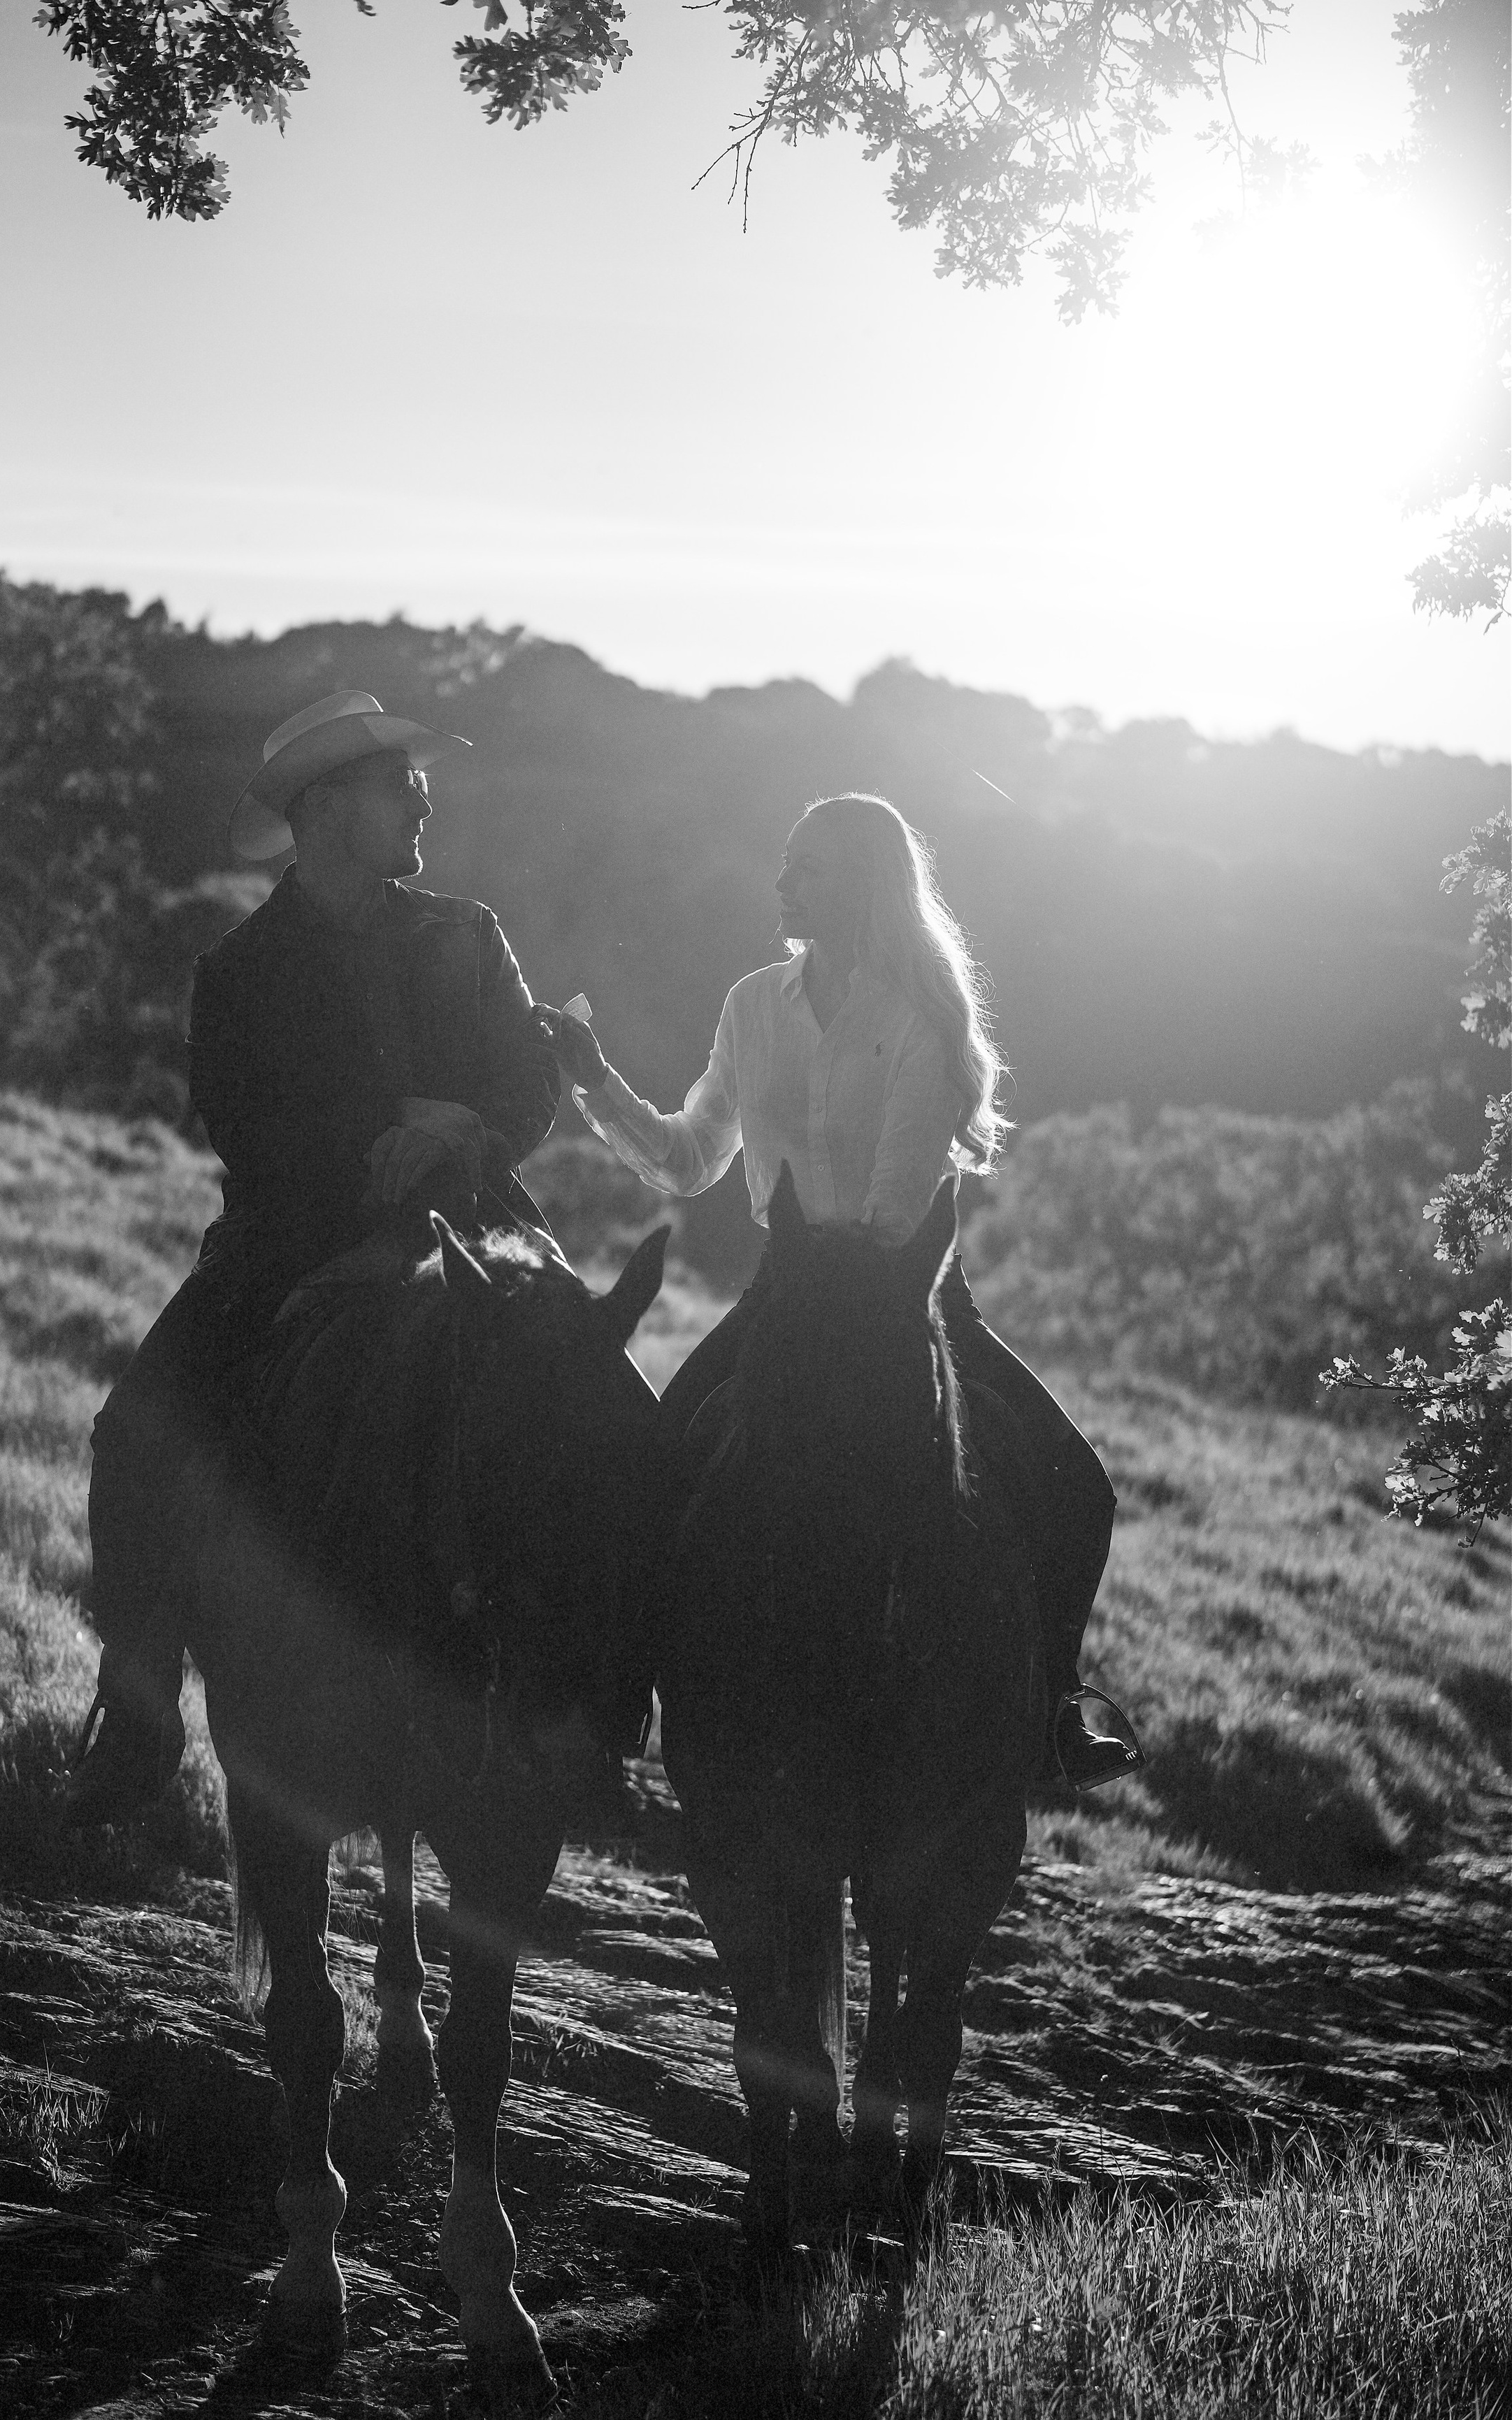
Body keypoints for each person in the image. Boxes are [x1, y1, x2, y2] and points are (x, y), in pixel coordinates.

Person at [536, 791, 1137, 1787]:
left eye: (806, 866)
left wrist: (839, 1276)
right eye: (785, 862)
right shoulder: (749, 1006)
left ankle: (1051, 1711)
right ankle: (619, 1695)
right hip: (784, 1299)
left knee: (1079, 1488)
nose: (782, 881)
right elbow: (691, 1159)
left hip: (910, 1305)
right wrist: (596, 1081)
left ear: (863, 885)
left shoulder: (921, 1020)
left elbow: (896, 1215)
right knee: (648, 1465)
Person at [65, 689, 561, 1827]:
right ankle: (139, 1720)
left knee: (603, 1416)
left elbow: (528, 1085)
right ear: (328, 810)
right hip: (290, 1250)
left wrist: (467, 1136)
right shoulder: (237, 972)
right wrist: (394, 1135)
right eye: (400, 785)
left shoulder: (468, 934)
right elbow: (250, 1132)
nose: (423, 797)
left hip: (475, 1235)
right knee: (136, 1436)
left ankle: (585, 1705)